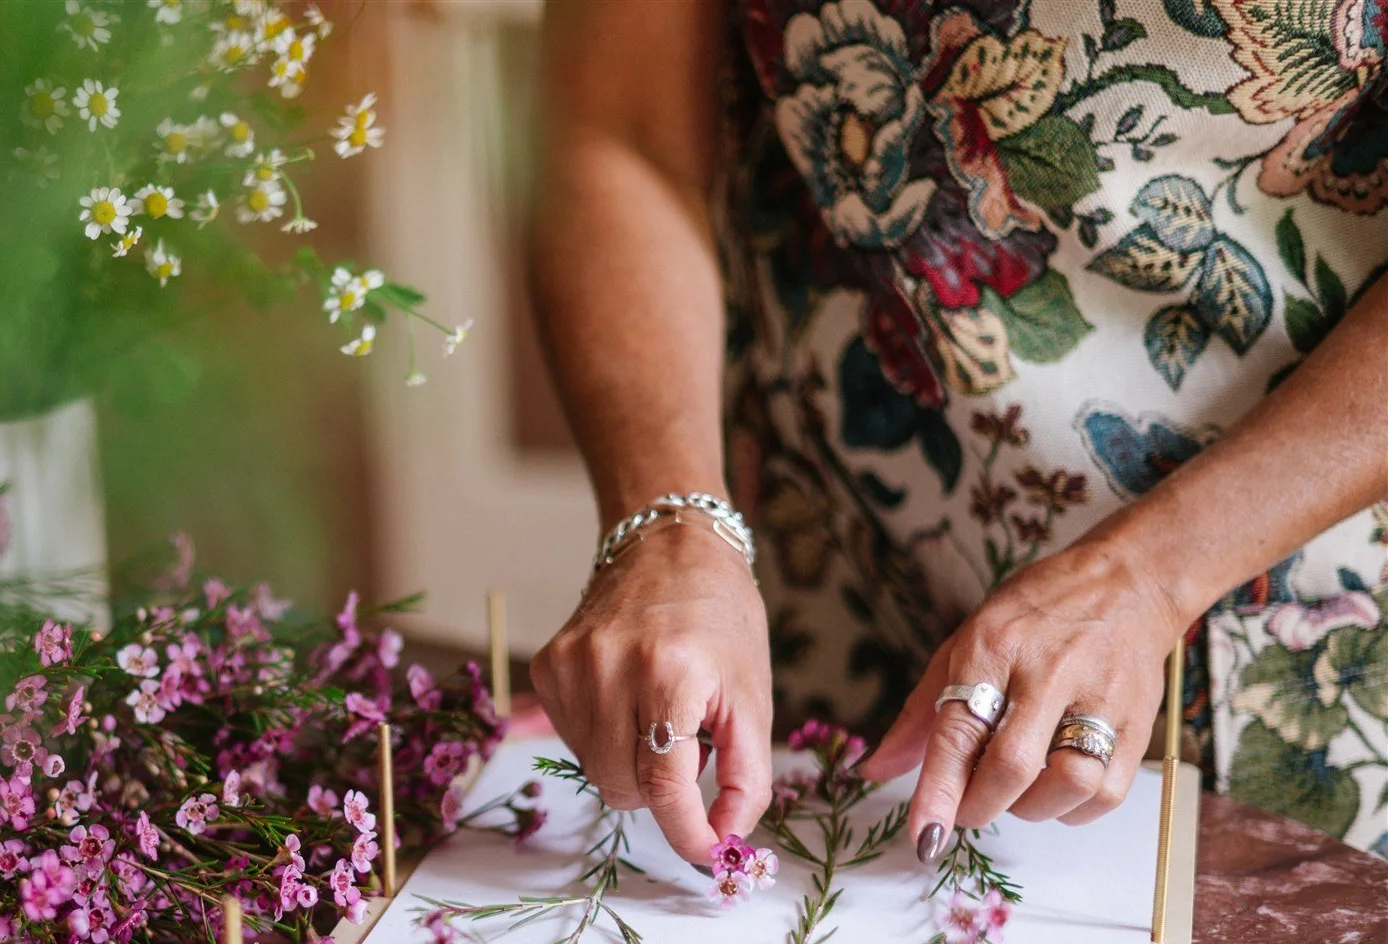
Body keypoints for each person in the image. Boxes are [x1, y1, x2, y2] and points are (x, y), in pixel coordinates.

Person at [527, 0, 1388, 865]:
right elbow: (618, 129)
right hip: (816, 542)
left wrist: (1153, 574)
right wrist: (671, 523)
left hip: (1283, 585)